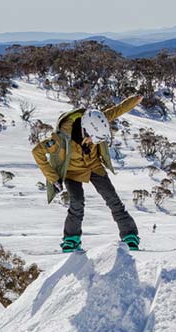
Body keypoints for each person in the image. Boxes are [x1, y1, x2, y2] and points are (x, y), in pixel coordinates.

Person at [32, 95, 143, 252]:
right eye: (92, 139)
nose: (93, 143)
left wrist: (135, 100)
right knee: (77, 202)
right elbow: (37, 152)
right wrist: (53, 178)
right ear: (84, 130)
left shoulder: (96, 120)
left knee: (113, 199)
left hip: (93, 166)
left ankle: (129, 235)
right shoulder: (61, 139)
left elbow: (117, 111)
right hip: (72, 171)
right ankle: (71, 238)